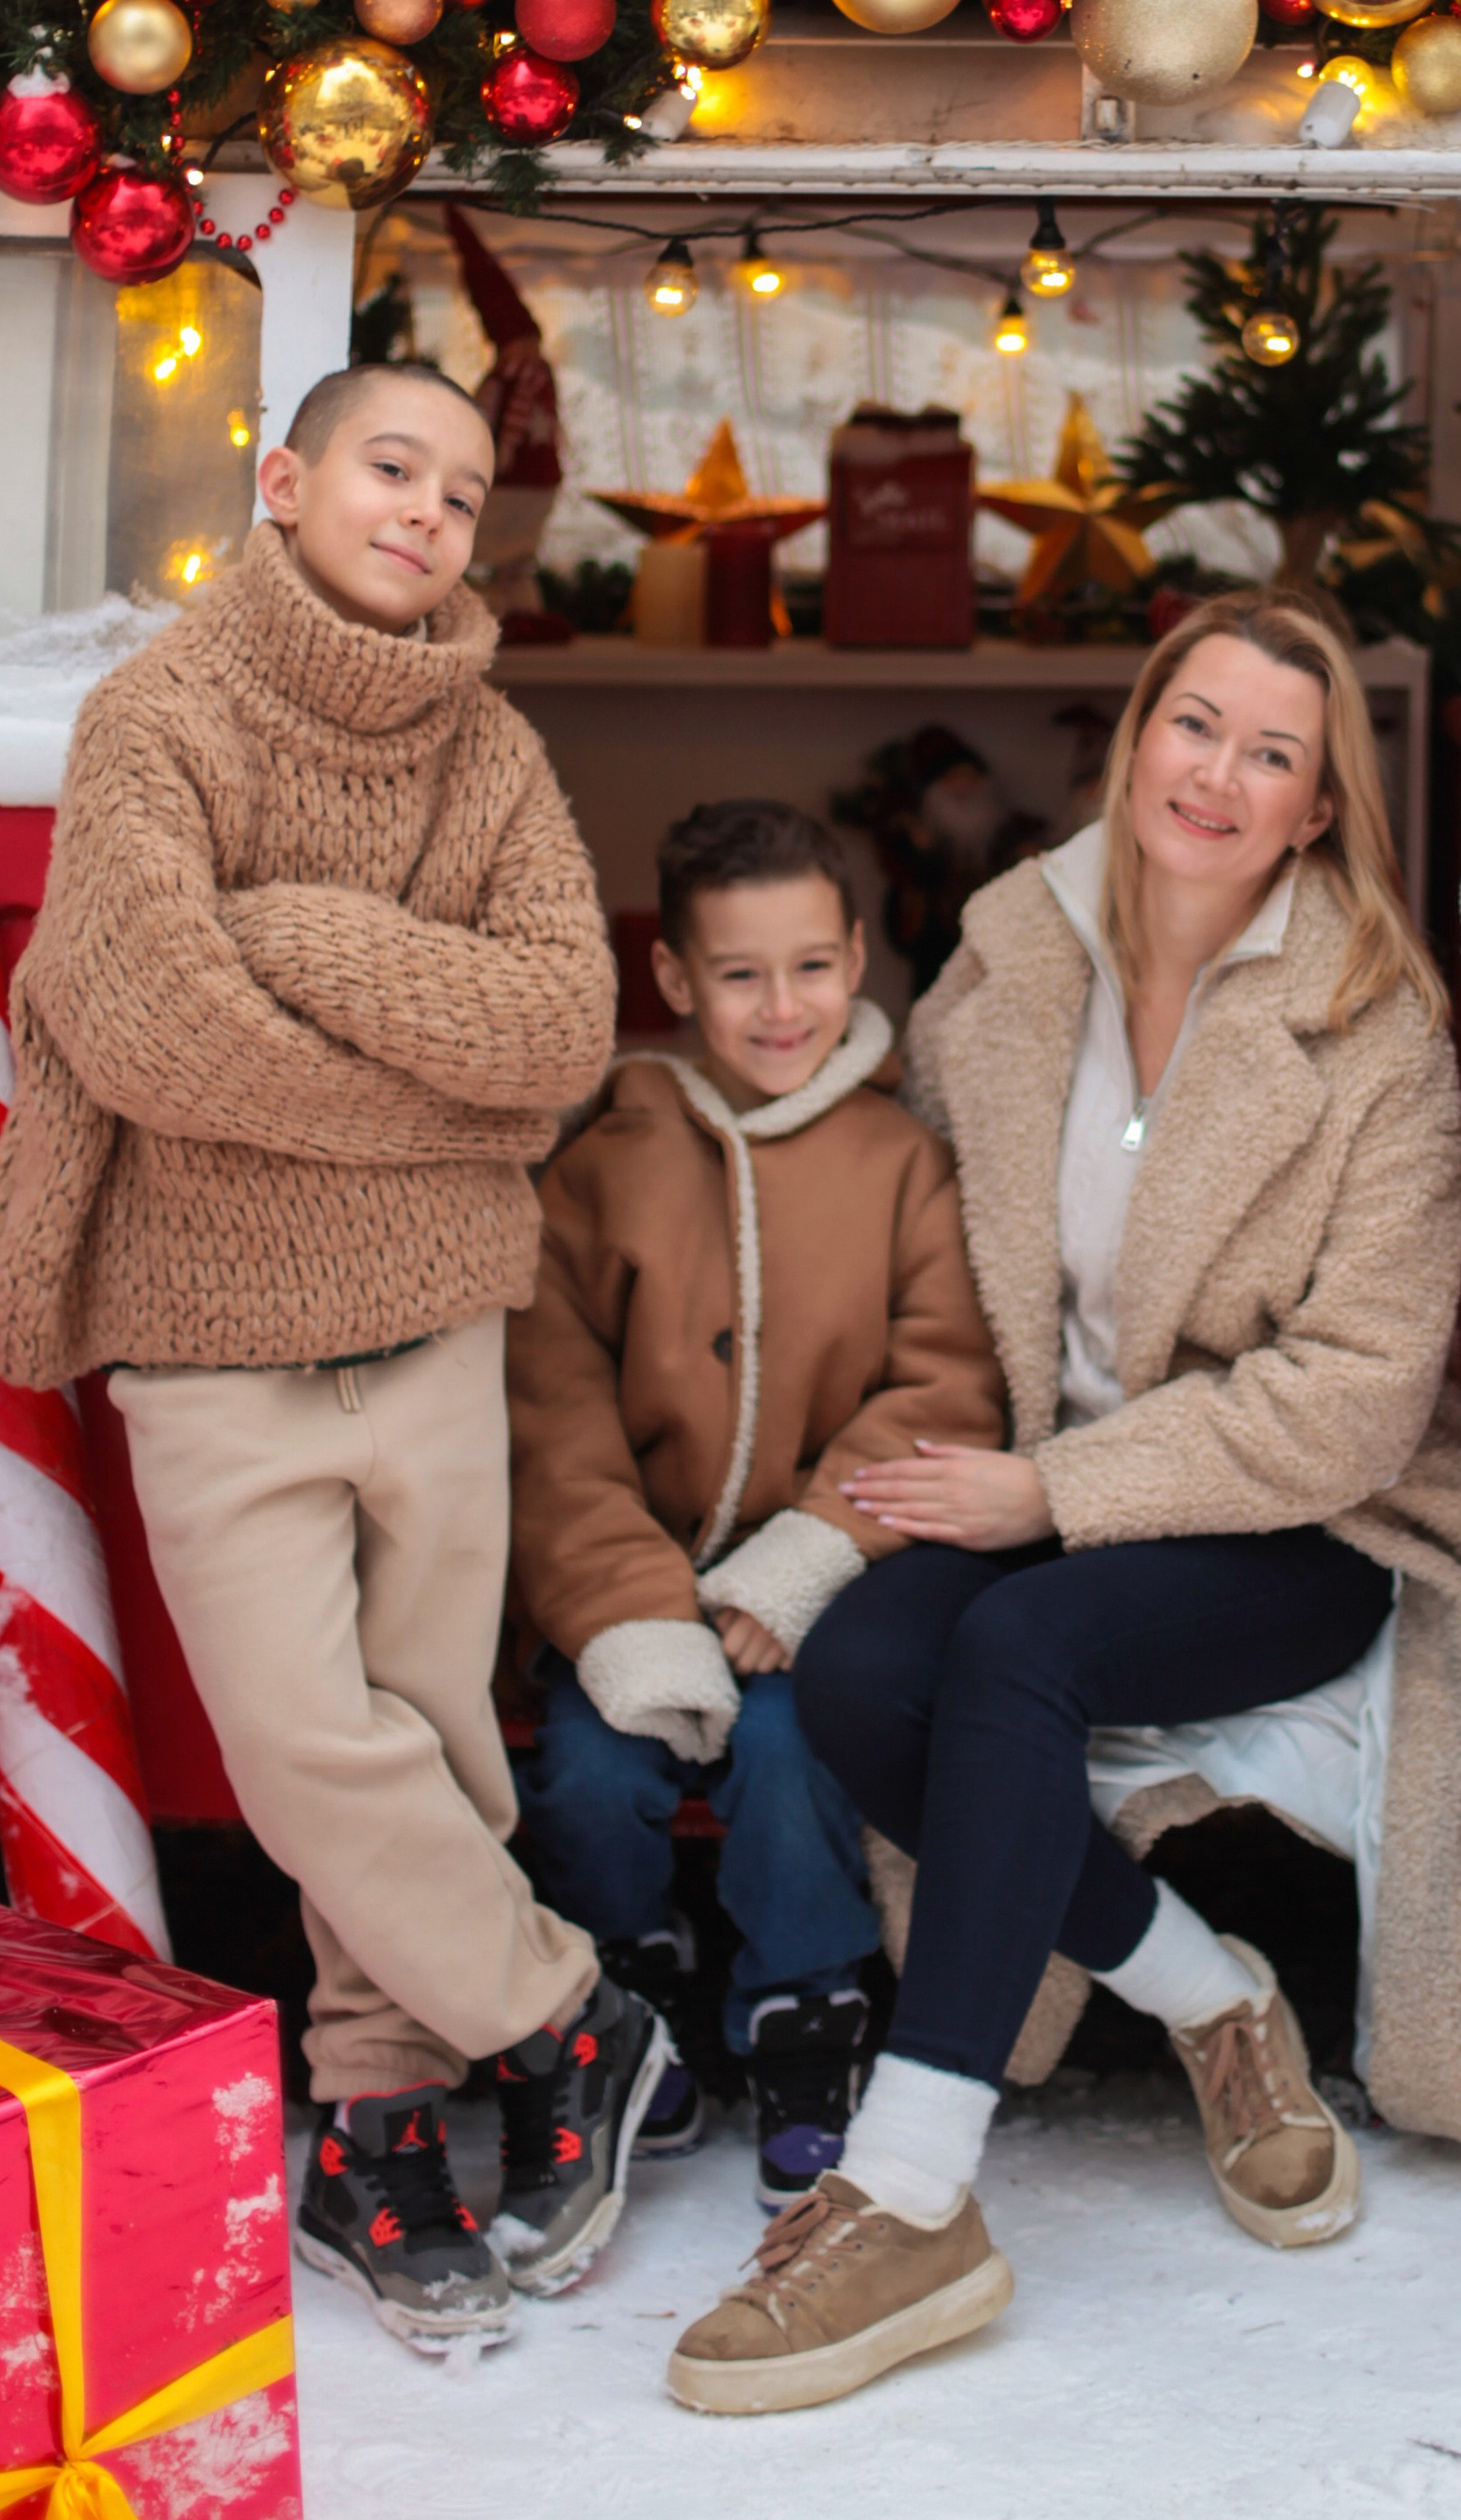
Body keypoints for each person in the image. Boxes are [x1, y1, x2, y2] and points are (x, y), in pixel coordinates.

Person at [667, 590, 1461, 2420]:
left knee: (1008, 1651)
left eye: (1272, 754)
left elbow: (1353, 1398)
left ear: (1317, 809)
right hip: (1022, 1486)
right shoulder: (1007, 962)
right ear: (1136, 734)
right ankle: (1207, 1993)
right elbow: (926, 1263)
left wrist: (1051, 1487)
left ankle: (910, 2194)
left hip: (1294, 1521)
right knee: (855, 1681)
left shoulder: (1374, 1026)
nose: (1218, 775)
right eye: (1194, 725)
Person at [0, 360, 662, 2356]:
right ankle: (565, 2023)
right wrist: (433, 1115)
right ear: (281, 481)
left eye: (461, 495)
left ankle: (368, 2120)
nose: (427, 516)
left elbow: (553, 1031)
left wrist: (299, 940)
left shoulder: (490, 754)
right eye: (391, 468)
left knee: (431, 1733)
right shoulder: (157, 722)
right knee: (304, 1745)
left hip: (439, 1326)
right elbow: (148, 1027)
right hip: (212, 1334)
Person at [508, 796, 1007, 2205]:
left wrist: (809, 1560)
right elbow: (554, 1421)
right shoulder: (599, 1174)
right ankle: (623, 1984)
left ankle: (806, 2008)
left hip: (805, 1599)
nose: (779, 1006)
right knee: (592, 1779)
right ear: (673, 981)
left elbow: (944, 1389)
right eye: (738, 974)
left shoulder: (904, 1165)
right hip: (628, 1590)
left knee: (796, 1763)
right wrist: (626, 1611)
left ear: (857, 959)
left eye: (808, 967)